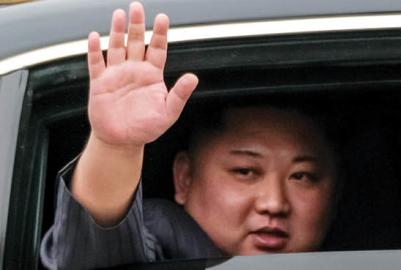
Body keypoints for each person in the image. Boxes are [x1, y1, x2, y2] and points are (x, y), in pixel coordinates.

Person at [40, 2, 338, 269]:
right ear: (184, 177)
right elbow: (93, 256)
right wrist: (117, 148)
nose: (274, 203)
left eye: (302, 176)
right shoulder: (161, 239)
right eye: (245, 171)